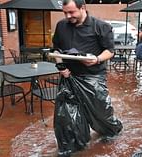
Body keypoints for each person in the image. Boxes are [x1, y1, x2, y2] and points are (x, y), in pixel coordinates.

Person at [52, 0, 123, 156]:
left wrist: (97, 59)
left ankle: (111, 131)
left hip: (93, 77)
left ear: (82, 7)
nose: (68, 16)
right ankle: (74, 145)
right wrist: (61, 66)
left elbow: (110, 51)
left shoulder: (100, 26)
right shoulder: (61, 26)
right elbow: (56, 49)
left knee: (101, 113)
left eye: (71, 12)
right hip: (69, 77)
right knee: (66, 116)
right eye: (65, 12)